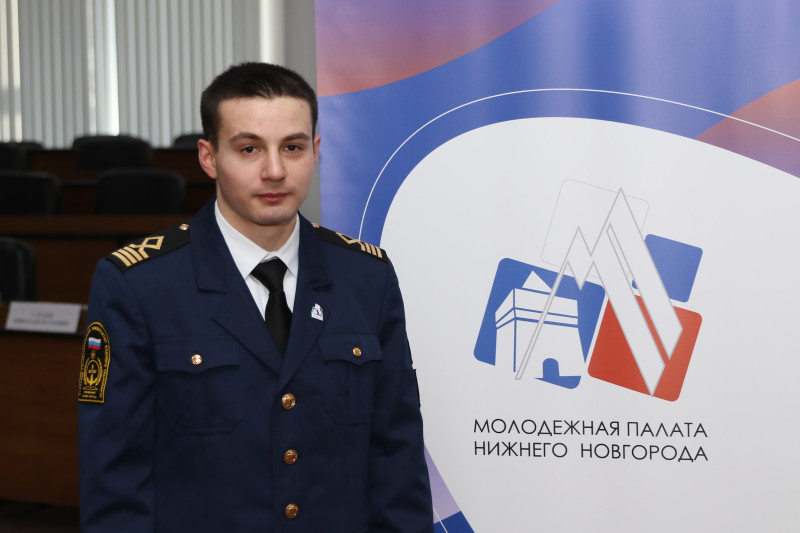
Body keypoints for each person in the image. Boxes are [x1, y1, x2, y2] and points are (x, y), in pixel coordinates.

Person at [78, 62, 433, 532]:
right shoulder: (139, 284)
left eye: (292, 147)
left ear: (315, 151)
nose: (274, 171)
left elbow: (397, 458)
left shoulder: (366, 277)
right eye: (249, 149)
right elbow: (114, 478)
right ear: (209, 157)